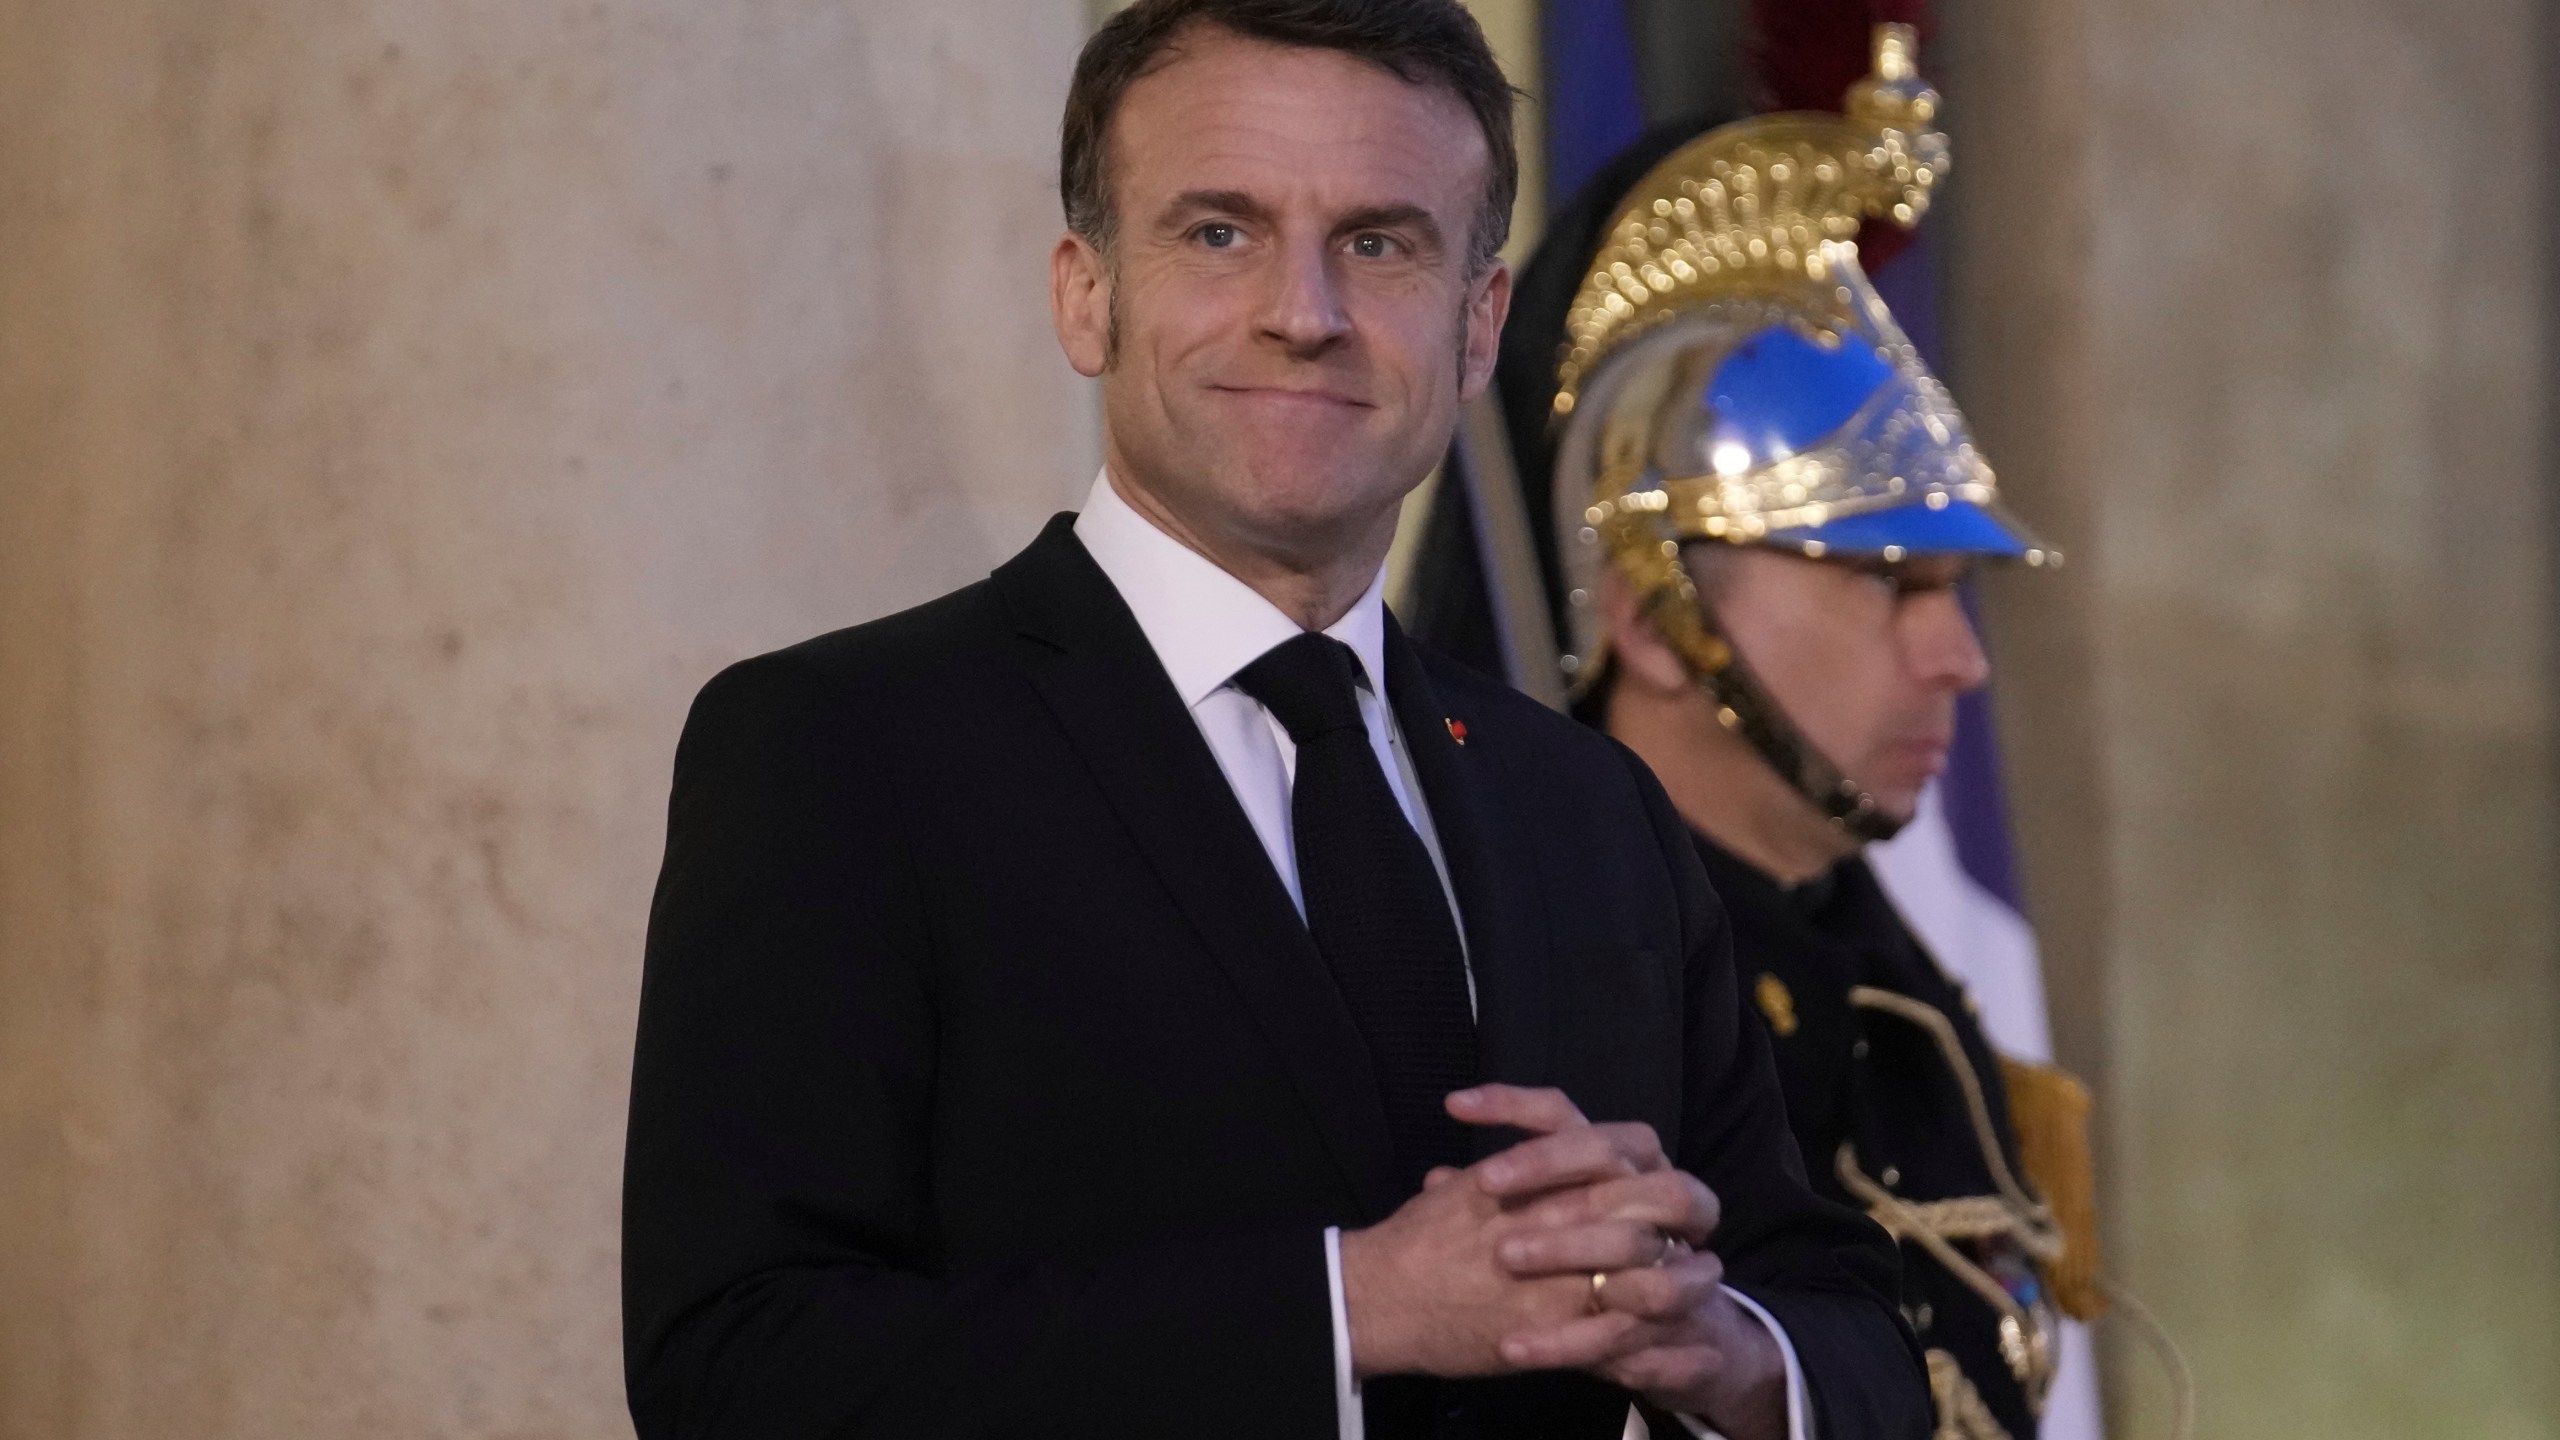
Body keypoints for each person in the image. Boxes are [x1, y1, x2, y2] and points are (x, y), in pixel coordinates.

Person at [619, 2, 1932, 1438]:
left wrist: (1724, 1351)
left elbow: (1840, 1315)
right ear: (1085, 295)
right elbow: (739, 1369)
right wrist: (1348, 1310)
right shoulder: (842, 755)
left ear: (1478, 322)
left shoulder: (1588, 804)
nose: (1302, 312)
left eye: (1380, 242)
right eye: (1219, 233)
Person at [1407, 28, 2097, 1440]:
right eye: (1891, 584)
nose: (1957, 660)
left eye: (1958, 595)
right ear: (1655, 619)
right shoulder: (1512, 995)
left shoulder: (1898, 993)